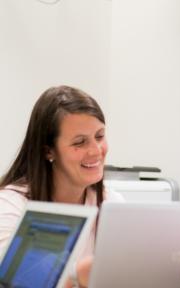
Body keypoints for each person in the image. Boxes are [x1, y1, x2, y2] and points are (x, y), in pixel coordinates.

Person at [0, 85, 124, 288]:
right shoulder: (10, 207)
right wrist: (75, 276)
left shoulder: (112, 204)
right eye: (80, 142)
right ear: (49, 151)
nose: (96, 151)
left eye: (99, 136)